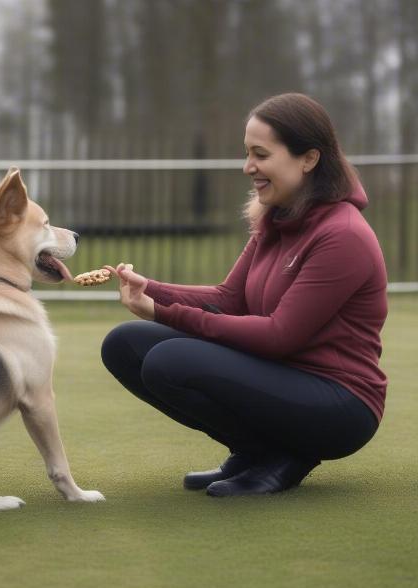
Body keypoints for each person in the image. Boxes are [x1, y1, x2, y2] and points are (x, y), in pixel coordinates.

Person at [101, 92, 388, 497]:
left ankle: (287, 456)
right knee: (124, 344)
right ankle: (255, 452)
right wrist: (153, 291)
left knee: (170, 360)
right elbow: (229, 298)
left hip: (338, 402)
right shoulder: (277, 217)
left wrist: (165, 313)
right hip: (283, 376)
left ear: (308, 159)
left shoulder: (343, 235)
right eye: (247, 153)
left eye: (261, 154)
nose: (248, 167)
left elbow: (279, 336)